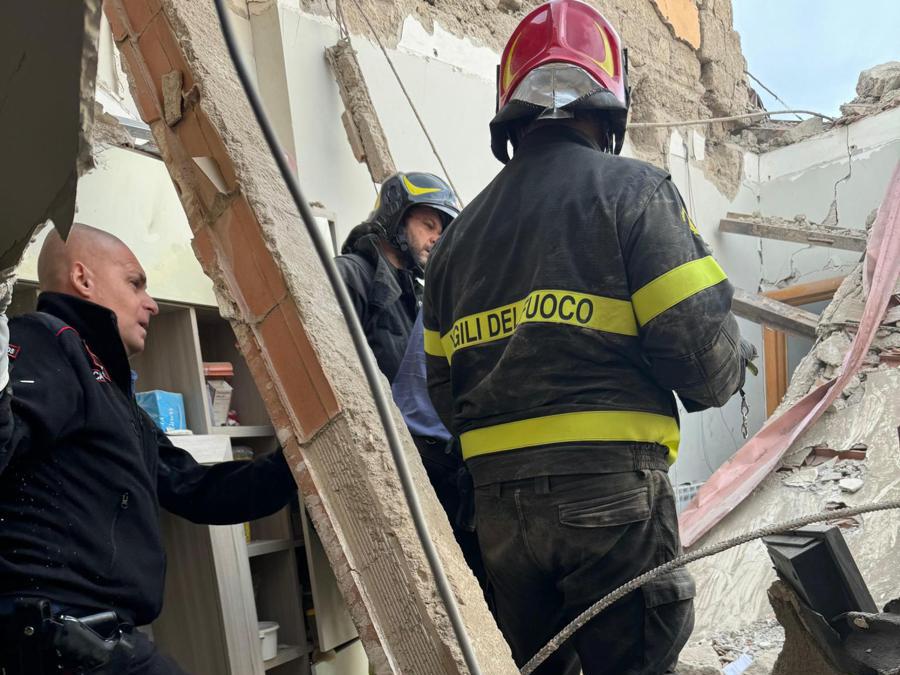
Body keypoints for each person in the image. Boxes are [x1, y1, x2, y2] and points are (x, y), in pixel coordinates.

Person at [422, 2, 757, 673]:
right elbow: (702, 362)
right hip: (611, 500)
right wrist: (736, 358)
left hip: (500, 518)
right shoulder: (634, 192)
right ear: (607, 108)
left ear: (510, 112)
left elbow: (443, 395)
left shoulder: (454, 242)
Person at [0, 224, 298, 675]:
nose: (151, 303)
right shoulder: (47, 341)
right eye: (135, 283)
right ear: (83, 279)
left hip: (92, 639)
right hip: (57, 640)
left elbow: (196, 489)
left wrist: (300, 466)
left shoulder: (115, 398)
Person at [335, 171, 460, 383]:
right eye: (428, 225)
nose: (435, 240)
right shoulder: (348, 276)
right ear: (397, 217)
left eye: (441, 234)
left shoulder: (417, 299)